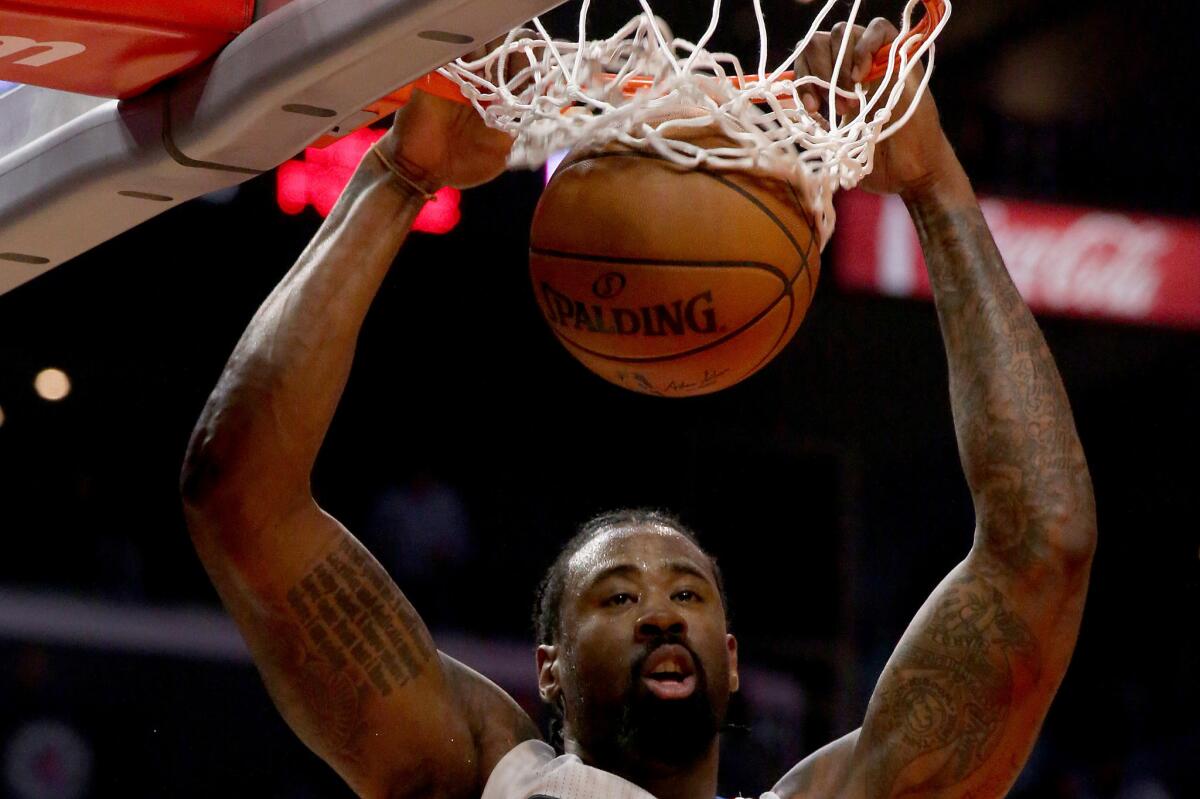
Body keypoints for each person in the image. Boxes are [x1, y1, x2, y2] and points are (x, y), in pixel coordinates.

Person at [179, 18, 1096, 799]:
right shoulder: (486, 776)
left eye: (686, 594)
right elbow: (240, 489)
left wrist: (937, 187)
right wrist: (399, 176)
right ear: (549, 671)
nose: (661, 613)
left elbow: (1044, 547)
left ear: (732, 659)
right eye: (618, 596)